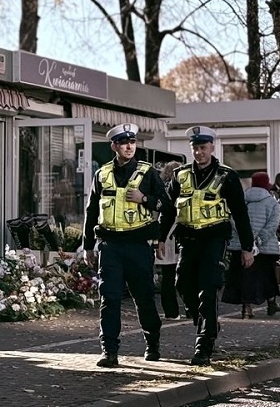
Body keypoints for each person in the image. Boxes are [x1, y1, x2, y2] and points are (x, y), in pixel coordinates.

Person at [83, 123, 171, 367]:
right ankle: (109, 351)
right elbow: (91, 212)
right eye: (124, 143)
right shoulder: (102, 174)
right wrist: (88, 246)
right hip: (110, 245)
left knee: (144, 298)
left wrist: (145, 199)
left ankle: (152, 343)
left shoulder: (147, 172)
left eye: (132, 142)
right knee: (109, 298)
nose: (129, 147)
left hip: (138, 245)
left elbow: (167, 206)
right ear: (114, 146)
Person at [167, 126, 254, 366]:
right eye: (195, 148)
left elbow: (240, 213)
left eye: (203, 147)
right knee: (183, 284)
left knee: (208, 290)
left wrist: (247, 247)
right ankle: (208, 323)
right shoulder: (181, 175)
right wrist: (160, 239)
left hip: (214, 240)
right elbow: (168, 209)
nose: (199, 152)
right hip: (188, 241)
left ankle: (203, 346)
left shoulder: (227, 176)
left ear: (212, 147)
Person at [223, 172, 280, 318]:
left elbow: (233, 220)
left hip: (241, 245)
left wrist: (247, 240)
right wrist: (259, 240)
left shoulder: (240, 199)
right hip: (265, 247)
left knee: (244, 277)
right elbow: (273, 225)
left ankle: (246, 308)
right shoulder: (271, 202)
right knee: (268, 275)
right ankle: (271, 303)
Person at [155, 162, 182, 319]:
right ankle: (191, 309)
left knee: (168, 276)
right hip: (178, 233)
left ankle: (171, 312)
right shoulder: (181, 189)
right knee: (186, 273)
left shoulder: (160, 189)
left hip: (164, 235)